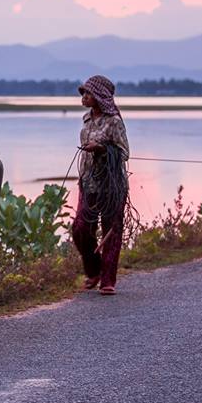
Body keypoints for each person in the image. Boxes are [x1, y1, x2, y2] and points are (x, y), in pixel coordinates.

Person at [71, 75, 130, 295]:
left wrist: (103, 149)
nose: (84, 97)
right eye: (83, 93)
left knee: (111, 231)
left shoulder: (114, 121)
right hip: (88, 183)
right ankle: (93, 269)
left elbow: (124, 152)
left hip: (112, 186)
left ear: (99, 97)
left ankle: (107, 280)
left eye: (88, 93)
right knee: (80, 228)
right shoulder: (86, 119)